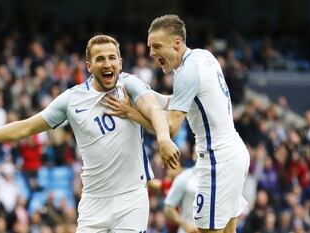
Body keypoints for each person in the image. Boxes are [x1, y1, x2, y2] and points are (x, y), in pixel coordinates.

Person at [0, 34, 180, 232]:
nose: (107, 63)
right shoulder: (72, 100)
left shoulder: (129, 84)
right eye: (100, 59)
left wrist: (162, 138)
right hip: (93, 201)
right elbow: (27, 126)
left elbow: (153, 108)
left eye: (112, 57)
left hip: (131, 198)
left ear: (120, 62)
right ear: (89, 66)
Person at [103, 15, 250, 233]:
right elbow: (181, 102)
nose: (152, 53)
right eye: (150, 47)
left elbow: (170, 128)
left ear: (177, 43)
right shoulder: (203, 56)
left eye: (157, 46)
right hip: (234, 153)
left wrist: (132, 113)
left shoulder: (186, 73)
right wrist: (144, 94)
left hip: (216, 160)